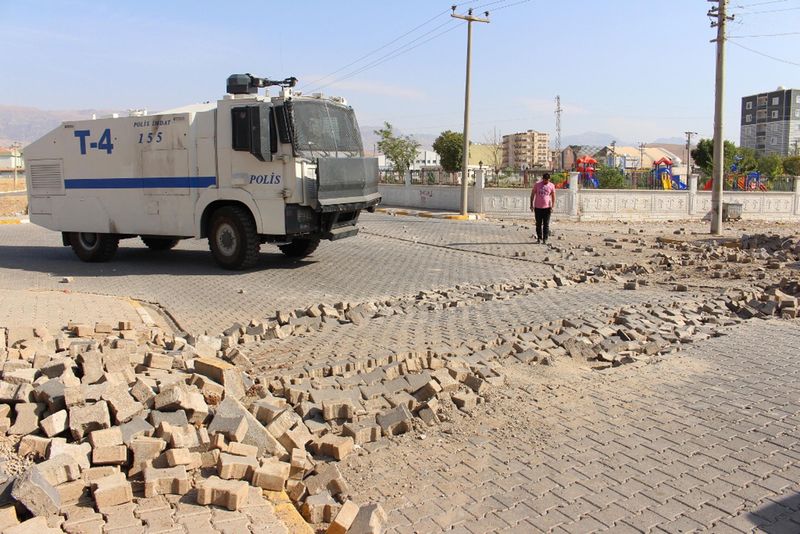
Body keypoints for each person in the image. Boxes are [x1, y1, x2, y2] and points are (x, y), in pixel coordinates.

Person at [529, 173, 556, 244]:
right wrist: (531, 205)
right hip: (538, 207)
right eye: (545, 180)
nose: (546, 181)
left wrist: (552, 206)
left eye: (547, 180)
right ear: (542, 178)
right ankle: (539, 238)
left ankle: (545, 238)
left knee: (546, 224)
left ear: (549, 179)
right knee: (538, 224)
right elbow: (532, 195)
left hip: (547, 208)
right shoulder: (537, 185)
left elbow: (553, 197)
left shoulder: (551, 185)